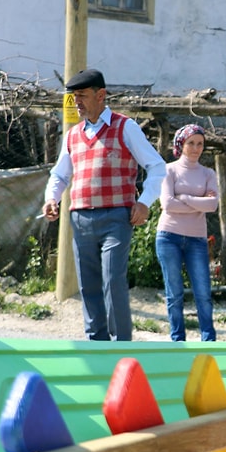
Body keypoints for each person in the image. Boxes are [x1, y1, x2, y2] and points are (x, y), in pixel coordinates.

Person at [41, 68, 166, 341]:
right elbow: (60, 174)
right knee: (88, 284)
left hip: (117, 217)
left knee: (112, 280)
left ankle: (121, 344)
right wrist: (52, 198)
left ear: (101, 95)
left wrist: (144, 203)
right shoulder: (73, 135)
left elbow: (157, 167)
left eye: (83, 96)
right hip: (81, 217)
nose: (78, 103)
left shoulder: (125, 127)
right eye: (75, 97)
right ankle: (95, 342)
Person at [156, 124, 220, 341]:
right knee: (174, 293)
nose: (195, 148)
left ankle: (209, 340)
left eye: (200, 143)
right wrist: (199, 203)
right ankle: (177, 340)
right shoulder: (168, 170)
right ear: (181, 144)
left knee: (203, 293)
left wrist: (184, 198)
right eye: (191, 143)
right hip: (169, 237)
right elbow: (167, 204)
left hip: (197, 240)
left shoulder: (208, 173)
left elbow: (212, 206)